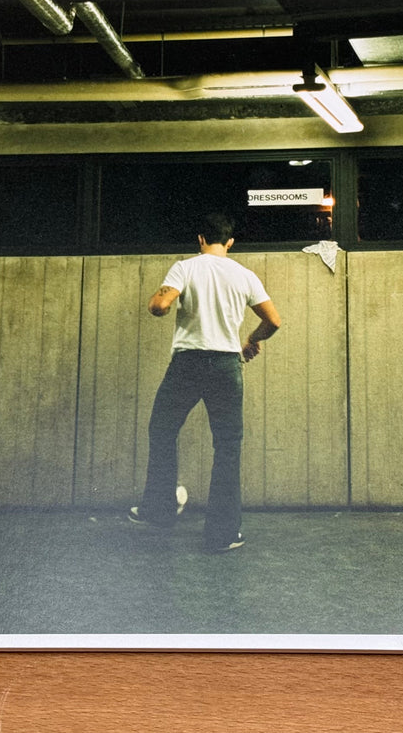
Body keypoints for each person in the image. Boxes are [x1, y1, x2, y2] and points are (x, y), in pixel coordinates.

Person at [128, 213, 281, 553]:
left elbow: (160, 304)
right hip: (226, 365)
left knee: (162, 430)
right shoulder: (244, 275)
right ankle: (223, 534)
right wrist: (250, 340)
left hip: (187, 364)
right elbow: (273, 321)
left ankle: (159, 510)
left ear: (200, 239)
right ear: (229, 242)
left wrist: (161, 305)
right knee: (227, 446)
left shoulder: (186, 267)